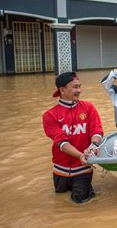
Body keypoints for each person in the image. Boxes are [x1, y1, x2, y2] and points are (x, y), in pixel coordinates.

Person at [42, 72, 104, 203]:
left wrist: (93, 147)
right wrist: (80, 155)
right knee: (60, 200)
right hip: (60, 171)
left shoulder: (88, 108)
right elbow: (61, 142)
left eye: (79, 86)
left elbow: (97, 131)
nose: (79, 90)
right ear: (62, 90)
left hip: (83, 168)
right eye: (75, 87)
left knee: (80, 204)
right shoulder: (49, 115)